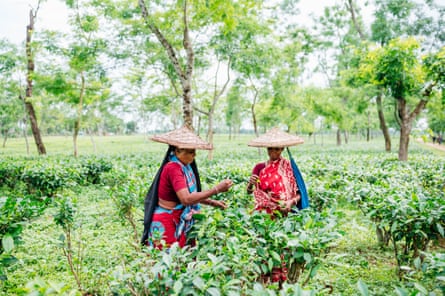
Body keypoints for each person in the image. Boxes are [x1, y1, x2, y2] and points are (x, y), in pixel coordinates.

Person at [141, 126, 233, 250]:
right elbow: (186, 199)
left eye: (194, 151)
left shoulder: (185, 167)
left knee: (184, 257)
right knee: (169, 261)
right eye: (190, 152)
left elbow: (189, 193)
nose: (194, 155)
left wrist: (212, 202)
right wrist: (216, 189)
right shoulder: (173, 168)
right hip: (168, 219)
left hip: (179, 217)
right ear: (177, 151)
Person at [246, 127, 307, 285]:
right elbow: (251, 192)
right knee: (265, 248)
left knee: (281, 247)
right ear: (267, 149)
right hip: (264, 217)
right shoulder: (259, 167)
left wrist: (290, 202)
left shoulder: (288, 167)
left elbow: (300, 193)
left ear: (282, 149)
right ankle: (264, 281)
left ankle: (281, 281)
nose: (274, 151)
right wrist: (250, 184)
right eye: (271, 148)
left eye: (278, 148)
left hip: (284, 215)